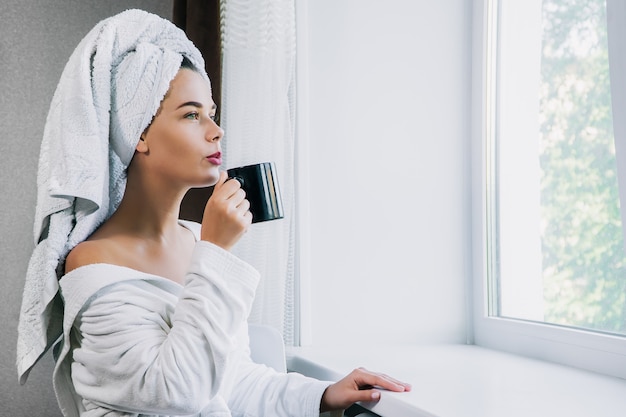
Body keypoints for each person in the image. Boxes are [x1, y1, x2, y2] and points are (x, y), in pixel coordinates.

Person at [17, 10, 410, 417]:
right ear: (139, 134)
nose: (215, 129)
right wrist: (217, 250)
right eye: (191, 114)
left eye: (212, 113)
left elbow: (231, 382)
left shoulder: (196, 240)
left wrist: (324, 394)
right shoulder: (94, 264)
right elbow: (178, 394)